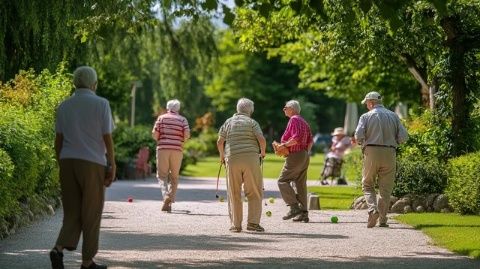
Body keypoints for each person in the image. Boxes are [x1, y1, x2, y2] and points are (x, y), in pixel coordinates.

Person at [50, 66, 115, 269]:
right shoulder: (101, 104)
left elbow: (58, 140)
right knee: (91, 212)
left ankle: (58, 249)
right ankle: (87, 262)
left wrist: (61, 163)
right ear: (94, 84)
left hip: (68, 161)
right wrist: (111, 163)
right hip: (93, 163)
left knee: (72, 211)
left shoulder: (64, 106)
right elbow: (107, 137)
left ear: (74, 83)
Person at [353, 91, 408, 228]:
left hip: (371, 151)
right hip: (390, 152)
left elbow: (358, 136)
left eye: (366, 103)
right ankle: (383, 220)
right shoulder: (394, 116)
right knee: (385, 189)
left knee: (367, 184)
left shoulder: (365, 116)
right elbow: (403, 137)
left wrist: (362, 142)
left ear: (371, 102)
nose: (366, 105)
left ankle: (373, 209)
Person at [217, 98, 267, 232]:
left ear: (237, 109)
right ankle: (253, 223)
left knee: (234, 192)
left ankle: (236, 225)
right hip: (251, 159)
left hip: (232, 159)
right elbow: (261, 139)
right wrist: (262, 152)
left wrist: (222, 156)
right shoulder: (252, 122)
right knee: (254, 191)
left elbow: (220, 141)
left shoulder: (228, 122)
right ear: (250, 110)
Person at [276, 100, 313, 223]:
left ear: (292, 109)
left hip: (296, 155)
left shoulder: (294, 119)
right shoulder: (304, 121)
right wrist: (304, 153)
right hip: (304, 155)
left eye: (285, 107)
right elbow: (310, 141)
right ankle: (303, 213)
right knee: (300, 184)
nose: (284, 110)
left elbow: (296, 138)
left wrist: (283, 146)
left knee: (282, 181)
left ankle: (293, 207)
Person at [152, 99, 190, 212]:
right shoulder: (183, 120)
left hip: (163, 149)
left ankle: (165, 196)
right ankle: (170, 200)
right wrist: (181, 139)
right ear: (178, 108)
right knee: (174, 177)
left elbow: (154, 134)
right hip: (177, 150)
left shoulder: (161, 118)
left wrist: (160, 138)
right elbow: (187, 135)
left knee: (162, 175)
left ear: (167, 107)